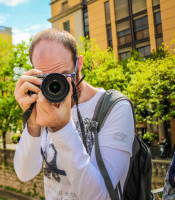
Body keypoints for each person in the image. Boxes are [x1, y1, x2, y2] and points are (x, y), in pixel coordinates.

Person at [13, 29, 135, 199]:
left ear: (79, 64)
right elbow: (25, 173)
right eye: (46, 77)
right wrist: (32, 121)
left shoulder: (114, 107)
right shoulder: (42, 106)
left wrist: (61, 127)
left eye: (64, 75)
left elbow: (100, 196)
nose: (55, 85)